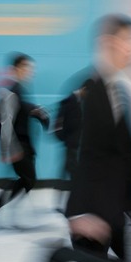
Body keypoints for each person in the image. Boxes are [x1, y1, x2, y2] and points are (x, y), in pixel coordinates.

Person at [63, 14, 131, 262]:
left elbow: (120, 155)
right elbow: (74, 156)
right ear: (110, 43)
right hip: (91, 211)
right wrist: (78, 212)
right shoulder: (84, 92)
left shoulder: (120, 91)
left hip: (116, 208)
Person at [0, 53, 50, 218]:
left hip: (25, 143)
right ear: (15, 69)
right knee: (28, 179)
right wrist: (8, 150)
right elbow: (6, 123)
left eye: (30, 68)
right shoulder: (10, 92)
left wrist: (35, 111)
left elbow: (22, 109)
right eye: (26, 67)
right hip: (18, 144)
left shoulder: (19, 90)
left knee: (27, 179)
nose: (30, 71)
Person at [52, 85, 84, 213]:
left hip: (74, 144)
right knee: (73, 174)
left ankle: (60, 201)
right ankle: (70, 203)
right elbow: (60, 123)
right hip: (71, 143)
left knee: (66, 172)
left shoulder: (79, 101)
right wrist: (65, 139)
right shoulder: (70, 101)